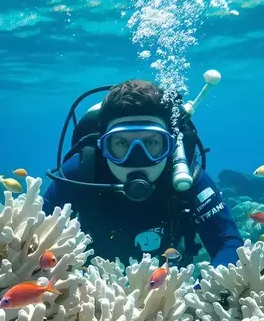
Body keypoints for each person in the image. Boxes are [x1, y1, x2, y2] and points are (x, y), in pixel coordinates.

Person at [43, 79, 243, 266]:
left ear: (170, 145)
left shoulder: (185, 175)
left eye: (151, 143)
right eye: (121, 143)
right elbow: (33, 232)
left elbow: (228, 242)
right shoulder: (81, 171)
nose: (137, 158)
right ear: (102, 145)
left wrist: (198, 299)